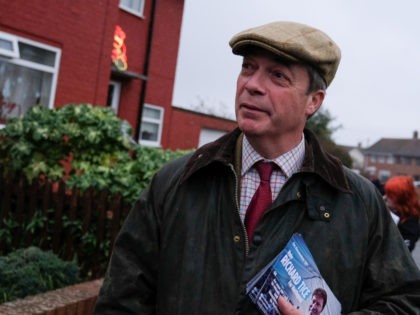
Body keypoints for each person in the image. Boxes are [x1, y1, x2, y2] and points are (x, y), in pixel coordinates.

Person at [94, 21, 420, 314]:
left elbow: (405, 302)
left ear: (313, 101)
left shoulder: (357, 202)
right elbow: (121, 301)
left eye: (277, 75)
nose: (252, 84)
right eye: (248, 68)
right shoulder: (175, 183)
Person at [384, 175, 420, 252]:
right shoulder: (389, 210)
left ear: (401, 198)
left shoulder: (410, 224)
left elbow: (401, 251)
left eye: (390, 195)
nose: (385, 197)